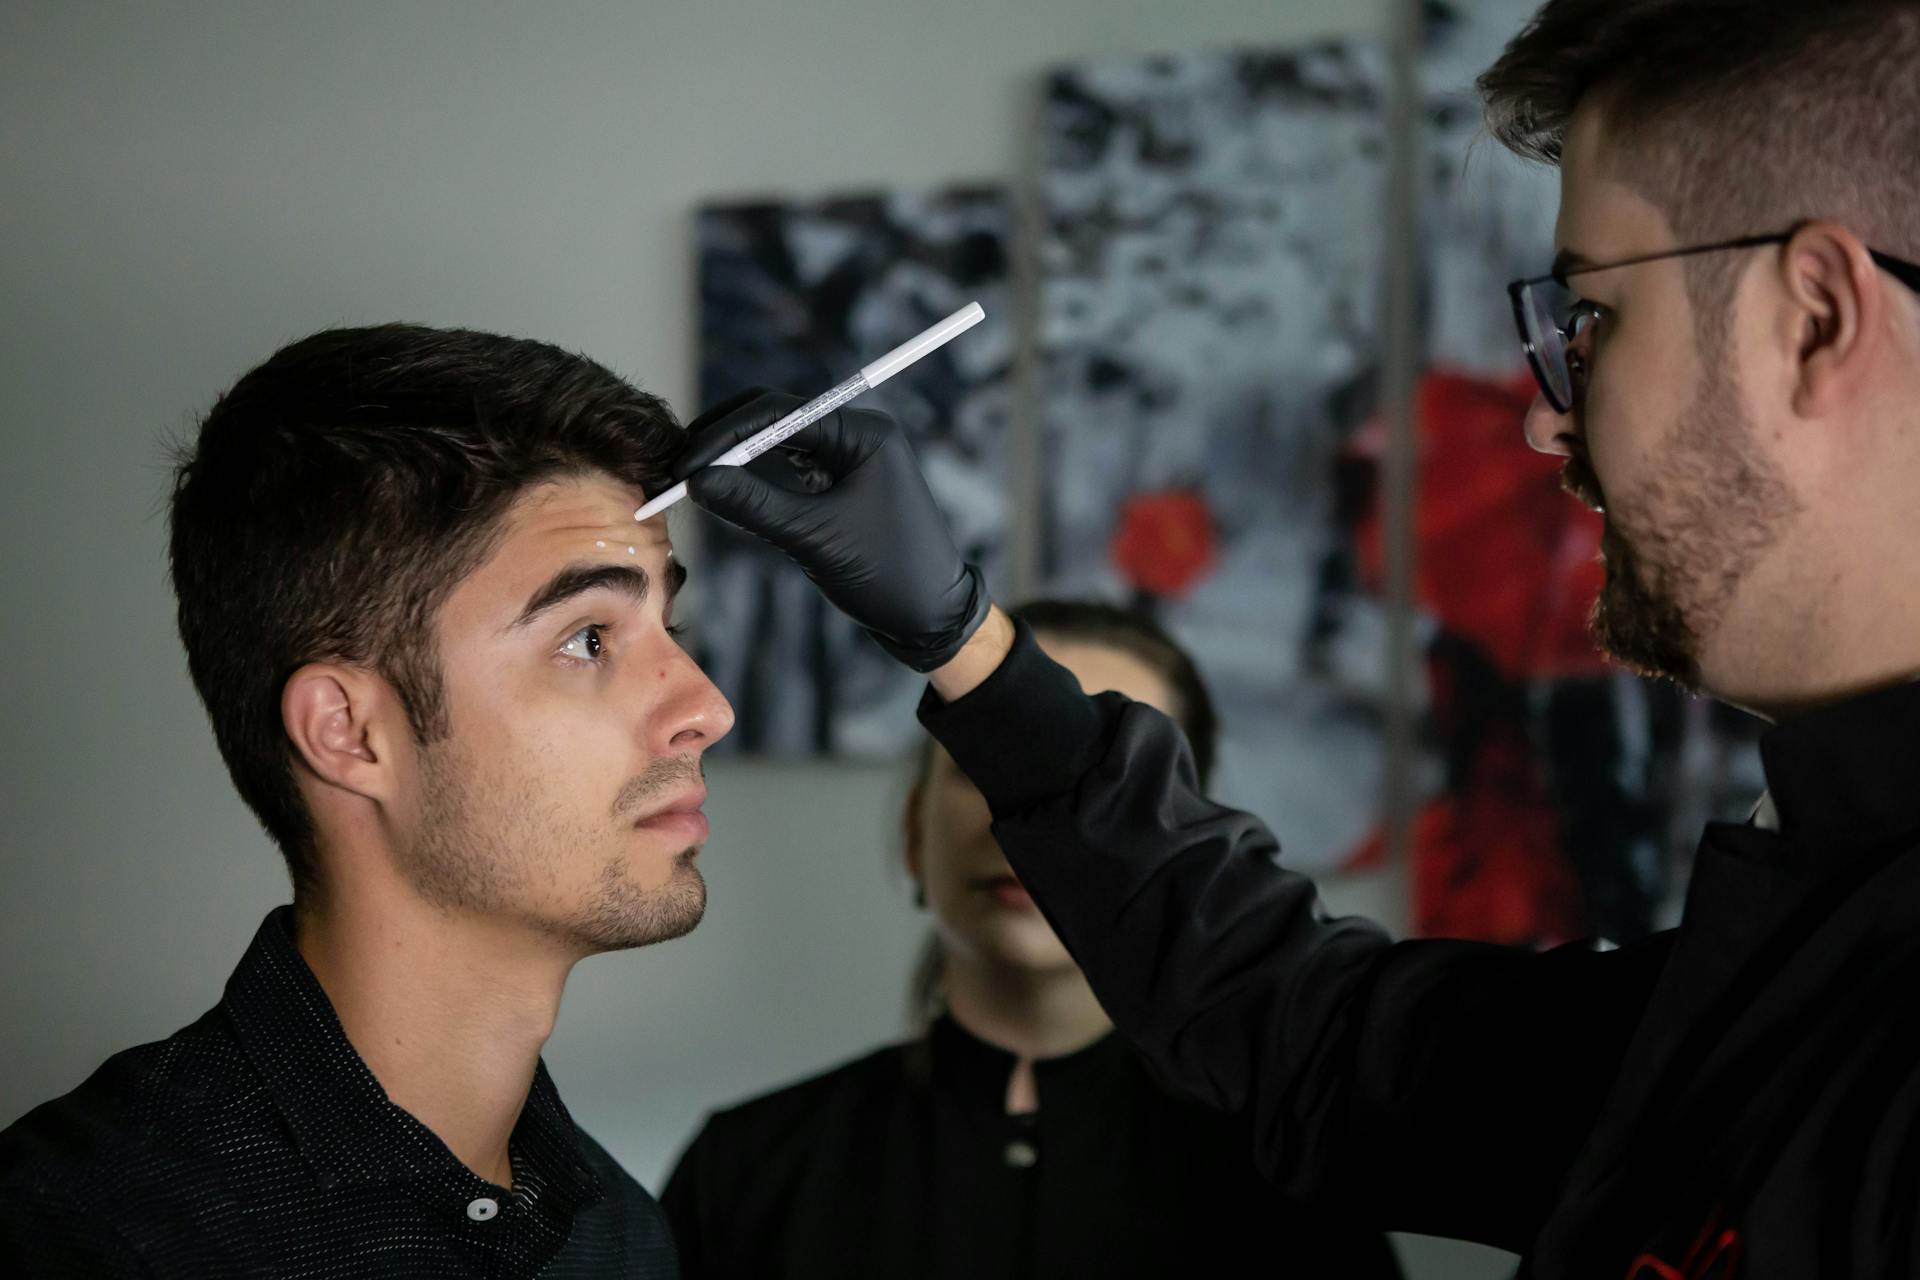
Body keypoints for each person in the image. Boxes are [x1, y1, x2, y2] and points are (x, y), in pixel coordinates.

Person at [666, 1, 1920, 1273]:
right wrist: (967, 645)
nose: (1548, 421)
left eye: (1590, 320)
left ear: (1812, 317)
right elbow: (1319, 1040)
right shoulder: (1797, 935)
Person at [0, 325, 734, 1277]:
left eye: (666, 624)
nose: (705, 708)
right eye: (588, 637)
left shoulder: (617, 1233)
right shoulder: (82, 1238)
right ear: (348, 733)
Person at [659, 599, 1401, 1279]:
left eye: (1093, 787)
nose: (1028, 828)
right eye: (987, 766)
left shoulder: (1290, 1188)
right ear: (915, 831)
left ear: (1183, 856)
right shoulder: (748, 1172)